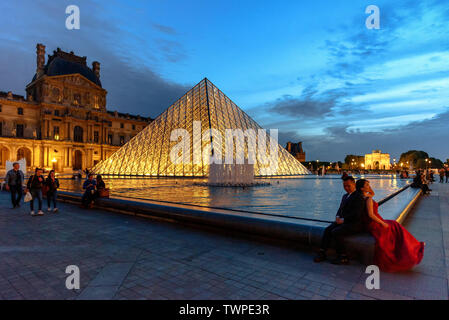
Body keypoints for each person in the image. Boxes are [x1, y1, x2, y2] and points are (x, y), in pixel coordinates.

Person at [358, 179, 424, 272]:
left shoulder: (364, 196)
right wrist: (382, 223)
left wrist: (368, 187)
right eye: (367, 185)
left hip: (372, 222)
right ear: (361, 188)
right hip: (375, 223)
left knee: (395, 225)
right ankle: (413, 246)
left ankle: (412, 246)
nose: (369, 186)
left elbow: (372, 193)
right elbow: (371, 215)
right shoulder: (368, 199)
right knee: (395, 226)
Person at [314, 176, 366, 264]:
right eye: (344, 186)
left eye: (348, 186)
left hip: (354, 224)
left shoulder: (359, 197)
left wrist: (343, 220)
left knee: (336, 232)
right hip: (344, 221)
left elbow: (357, 214)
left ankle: (343, 256)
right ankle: (322, 253)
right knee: (327, 230)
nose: (346, 188)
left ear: (354, 184)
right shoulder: (345, 196)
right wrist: (337, 216)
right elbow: (340, 209)